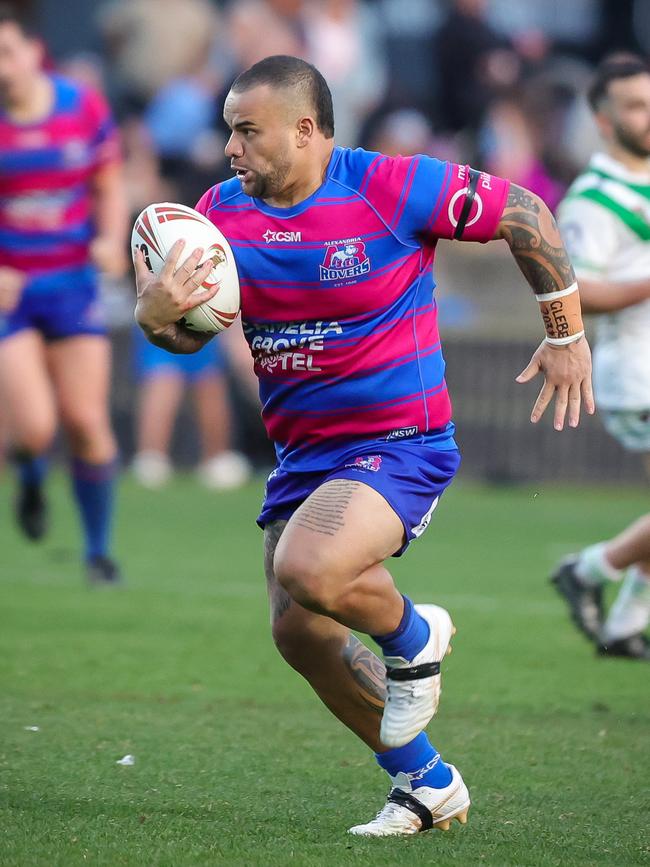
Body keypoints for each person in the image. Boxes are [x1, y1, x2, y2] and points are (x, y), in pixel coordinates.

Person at [133, 55, 593, 836]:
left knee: (308, 568)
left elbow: (525, 214)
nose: (231, 148)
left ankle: (417, 635)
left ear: (306, 130)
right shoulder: (216, 214)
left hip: (398, 441)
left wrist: (566, 332)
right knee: (299, 631)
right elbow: (190, 331)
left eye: (248, 131)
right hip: (302, 456)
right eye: (228, 131)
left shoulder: (390, 186)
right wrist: (154, 318)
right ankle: (425, 783)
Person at [0, 5, 128, 583]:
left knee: (85, 422)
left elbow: (109, 183)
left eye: (6, 53)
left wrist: (109, 237)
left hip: (72, 285)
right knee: (34, 427)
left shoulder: (81, 107)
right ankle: (29, 474)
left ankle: (98, 553)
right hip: (11, 295)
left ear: (33, 52)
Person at [550, 54, 650, 660]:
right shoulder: (592, 199)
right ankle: (589, 570)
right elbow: (578, 293)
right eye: (636, 106)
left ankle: (623, 625)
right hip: (636, 374)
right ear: (605, 120)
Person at [131, 326, 252, 490]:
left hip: (206, 318)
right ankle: (152, 458)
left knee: (208, 378)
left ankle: (216, 458)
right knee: (164, 377)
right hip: (164, 314)